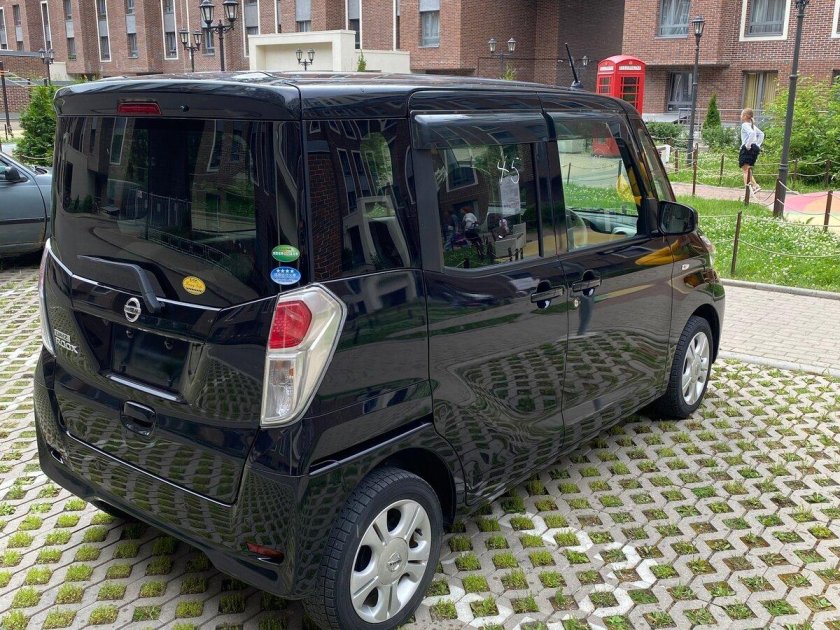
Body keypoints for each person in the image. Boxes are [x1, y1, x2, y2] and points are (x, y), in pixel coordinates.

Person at [739, 108, 765, 196]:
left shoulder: (745, 125)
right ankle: (755, 186)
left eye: (741, 115)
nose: (740, 116)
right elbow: (761, 134)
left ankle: (748, 191)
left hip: (747, 149)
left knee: (745, 170)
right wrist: (757, 145)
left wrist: (748, 145)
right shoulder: (752, 125)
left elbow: (752, 134)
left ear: (745, 116)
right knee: (748, 169)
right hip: (754, 149)